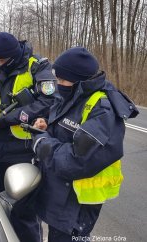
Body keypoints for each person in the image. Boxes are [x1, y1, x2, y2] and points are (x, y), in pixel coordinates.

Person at [31, 47, 139, 242]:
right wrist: (46, 127)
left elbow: (75, 161)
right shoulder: (72, 95)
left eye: (63, 80)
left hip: (77, 207)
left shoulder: (102, 109)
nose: (59, 84)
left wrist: (40, 142)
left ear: (80, 81)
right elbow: (66, 131)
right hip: (60, 196)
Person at [0, 32, 57, 241]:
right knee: (0, 209)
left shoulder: (37, 66)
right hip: (0, 149)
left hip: (25, 149)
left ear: (14, 54)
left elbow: (48, 102)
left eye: (2, 59)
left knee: (24, 214)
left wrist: (13, 117)